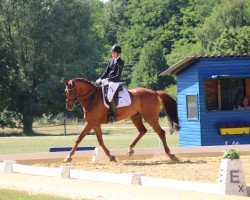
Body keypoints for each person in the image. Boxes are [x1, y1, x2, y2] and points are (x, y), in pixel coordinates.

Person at [96, 45, 124, 122]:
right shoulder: (111, 60)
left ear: (118, 53)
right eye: (112, 52)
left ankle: (113, 115)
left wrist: (108, 79)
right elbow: (106, 71)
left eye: (113, 52)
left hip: (115, 82)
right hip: (107, 80)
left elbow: (118, 75)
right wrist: (100, 78)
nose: (112, 54)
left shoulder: (120, 62)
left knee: (109, 96)